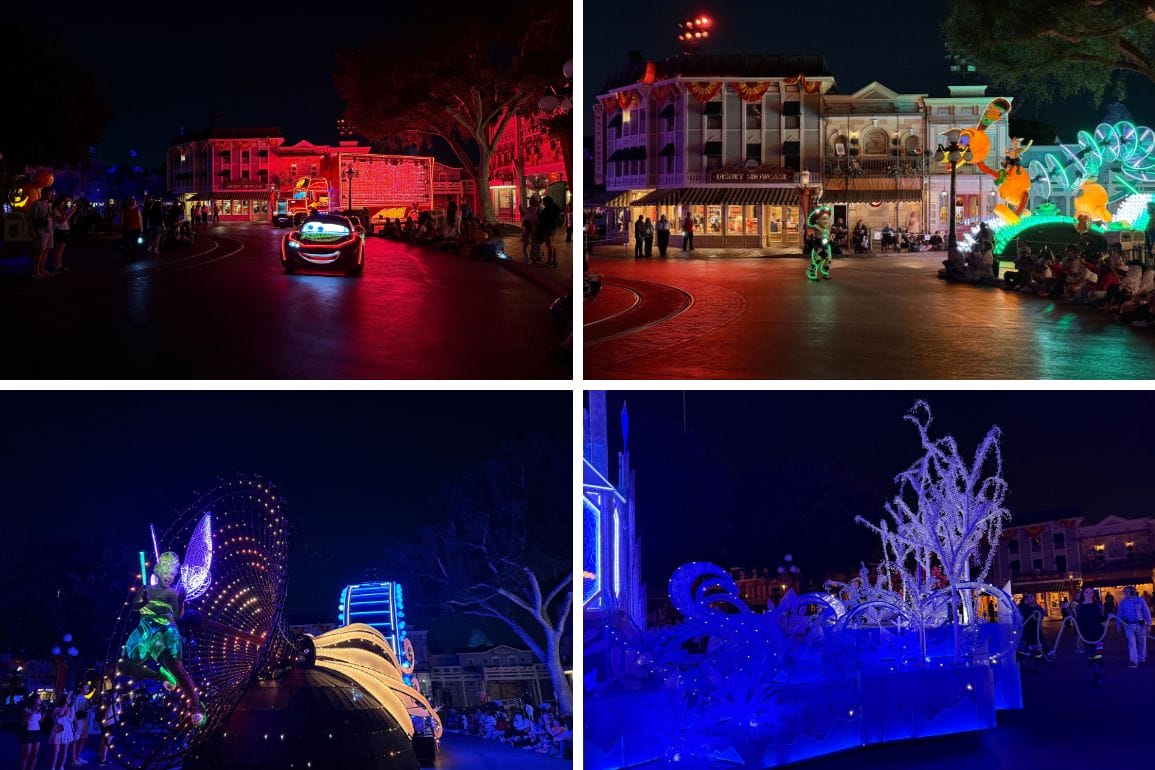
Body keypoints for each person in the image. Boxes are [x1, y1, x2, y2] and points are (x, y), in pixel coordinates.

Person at [117, 551, 205, 726]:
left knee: (178, 670)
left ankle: (196, 707)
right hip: (146, 631)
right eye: (166, 573)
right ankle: (160, 675)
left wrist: (181, 601)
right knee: (124, 665)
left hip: (165, 632)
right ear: (158, 572)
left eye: (172, 574)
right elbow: (133, 607)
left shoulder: (172, 593)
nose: (169, 577)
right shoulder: (145, 589)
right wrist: (143, 601)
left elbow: (179, 615)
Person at [1075, 587, 1107, 686]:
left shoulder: (1097, 605)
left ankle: (1099, 677)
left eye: (1091, 592)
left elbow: (1101, 618)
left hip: (1098, 634)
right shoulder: (1079, 607)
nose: (1089, 594)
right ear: (1083, 594)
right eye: (1087, 592)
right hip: (1087, 635)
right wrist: (1079, 634)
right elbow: (1079, 622)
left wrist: (1107, 615)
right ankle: (1094, 673)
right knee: (1091, 656)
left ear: (1093, 594)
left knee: (1099, 655)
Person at [1117, 586, 1150, 668]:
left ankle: (1142, 660)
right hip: (1128, 625)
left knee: (1142, 642)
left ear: (1132, 592)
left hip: (1140, 623)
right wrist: (1118, 625)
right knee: (1131, 643)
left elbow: (1146, 612)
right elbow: (1119, 614)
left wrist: (1148, 624)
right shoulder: (1123, 602)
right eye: (1124, 592)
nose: (1125, 593)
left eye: (1127, 591)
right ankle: (1133, 661)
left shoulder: (1140, 600)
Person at [1017, 593, 1051, 671]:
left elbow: (1043, 614)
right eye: (1028, 597)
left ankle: (1038, 666)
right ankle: (1021, 663)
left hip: (1036, 633)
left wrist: (1041, 615)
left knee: (1038, 652)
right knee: (1021, 650)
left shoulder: (1039, 608)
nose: (1030, 598)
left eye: (1031, 597)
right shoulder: (1024, 608)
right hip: (1025, 632)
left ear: (1035, 598)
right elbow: (1018, 614)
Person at [31, 188, 56, 279]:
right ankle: (36, 272)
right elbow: (33, 219)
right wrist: (33, 231)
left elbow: (49, 216)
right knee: (40, 252)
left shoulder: (48, 204)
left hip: (49, 230)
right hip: (41, 230)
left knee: (46, 251)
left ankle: (42, 270)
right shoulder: (37, 204)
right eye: (49, 193)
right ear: (44, 194)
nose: (51, 195)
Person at [50, 195, 77, 274]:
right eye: (63, 202)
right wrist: (72, 211)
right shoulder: (56, 210)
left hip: (63, 231)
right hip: (60, 231)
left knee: (59, 250)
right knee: (59, 250)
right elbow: (62, 220)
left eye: (65, 203)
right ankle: (56, 266)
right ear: (59, 203)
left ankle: (59, 265)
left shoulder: (62, 210)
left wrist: (71, 206)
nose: (64, 204)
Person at [48, 694, 75, 770]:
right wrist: (62, 714)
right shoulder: (57, 708)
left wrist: (66, 715)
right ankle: (52, 767)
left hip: (66, 729)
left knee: (64, 750)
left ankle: (61, 766)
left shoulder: (71, 708)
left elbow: (71, 720)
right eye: (67, 698)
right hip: (58, 728)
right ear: (63, 699)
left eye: (69, 699)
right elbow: (52, 719)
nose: (69, 700)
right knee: (56, 750)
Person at [71, 683, 94, 766]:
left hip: (85, 721)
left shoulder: (85, 698)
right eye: (86, 688)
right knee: (75, 740)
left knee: (83, 739)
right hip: (79, 721)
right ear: (80, 689)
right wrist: (75, 722)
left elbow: (87, 709)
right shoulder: (77, 698)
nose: (87, 689)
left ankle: (77, 757)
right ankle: (73, 759)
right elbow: (74, 711)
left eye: (88, 688)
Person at [19, 693, 43, 770]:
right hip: (28, 732)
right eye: (39, 699)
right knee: (26, 754)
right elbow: (24, 721)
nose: (41, 700)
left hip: (37, 732)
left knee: (35, 754)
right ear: (34, 700)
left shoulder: (39, 710)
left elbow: (39, 721)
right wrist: (33, 711)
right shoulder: (26, 709)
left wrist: (44, 713)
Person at [539, 195, 563, 267]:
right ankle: (554, 261)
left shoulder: (548, 209)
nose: (543, 204)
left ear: (547, 202)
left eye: (544, 202)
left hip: (547, 228)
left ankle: (549, 262)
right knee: (551, 244)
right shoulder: (555, 207)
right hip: (553, 228)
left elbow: (542, 217)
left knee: (549, 245)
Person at [96, 693, 118, 766]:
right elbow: (119, 711)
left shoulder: (105, 704)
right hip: (111, 725)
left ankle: (100, 755)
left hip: (105, 725)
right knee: (107, 743)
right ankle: (103, 760)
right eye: (115, 695)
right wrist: (119, 703)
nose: (116, 696)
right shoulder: (112, 705)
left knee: (103, 740)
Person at [121, 199, 144, 263]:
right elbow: (140, 220)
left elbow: (122, 221)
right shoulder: (137, 210)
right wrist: (141, 229)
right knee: (135, 244)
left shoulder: (125, 210)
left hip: (127, 229)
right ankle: (134, 257)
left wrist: (121, 228)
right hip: (135, 229)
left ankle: (127, 258)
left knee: (127, 244)